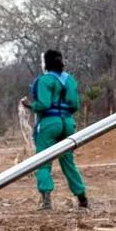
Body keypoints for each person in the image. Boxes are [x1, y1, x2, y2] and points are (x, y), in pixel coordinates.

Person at [27, 49, 89, 210]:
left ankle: (46, 200)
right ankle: (82, 197)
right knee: (68, 161)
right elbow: (74, 105)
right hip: (67, 123)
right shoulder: (70, 80)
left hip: (49, 123)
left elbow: (44, 104)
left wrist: (31, 106)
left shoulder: (44, 80)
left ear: (46, 63)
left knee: (43, 161)